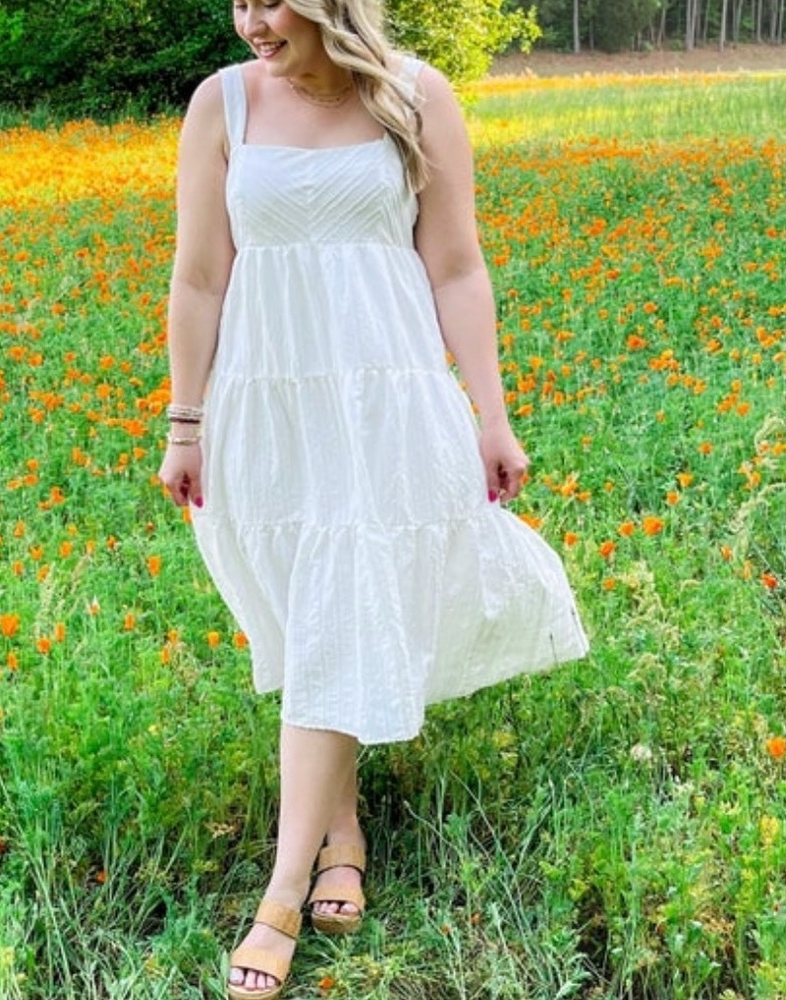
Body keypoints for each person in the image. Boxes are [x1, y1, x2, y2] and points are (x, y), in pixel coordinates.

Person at [157, 0, 590, 996]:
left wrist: (490, 411)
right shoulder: (219, 105)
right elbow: (199, 277)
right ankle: (340, 827)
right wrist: (186, 419)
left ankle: (278, 894)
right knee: (313, 616)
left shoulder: (414, 95)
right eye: (240, 1)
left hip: (386, 397)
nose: (251, 22)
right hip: (268, 401)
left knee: (344, 602)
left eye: (272, 2)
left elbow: (455, 263)